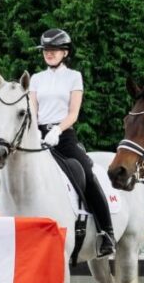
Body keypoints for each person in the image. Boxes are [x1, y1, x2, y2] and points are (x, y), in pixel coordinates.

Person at [29, 28, 116, 257]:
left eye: (54, 50)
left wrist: (57, 129)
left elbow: (74, 113)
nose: (49, 53)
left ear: (65, 52)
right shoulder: (36, 79)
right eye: (46, 50)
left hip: (63, 136)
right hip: (38, 136)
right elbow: (32, 108)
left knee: (86, 173)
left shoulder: (74, 76)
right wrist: (34, 131)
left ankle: (106, 232)